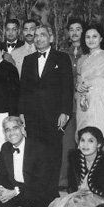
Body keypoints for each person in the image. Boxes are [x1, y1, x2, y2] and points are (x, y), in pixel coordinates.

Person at [19, 24, 73, 197]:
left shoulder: (62, 58)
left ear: (51, 38)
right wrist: (21, 113)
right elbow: (23, 89)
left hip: (54, 115)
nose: (38, 38)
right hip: (32, 115)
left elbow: (68, 87)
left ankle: (51, 192)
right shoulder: (28, 60)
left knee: (53, 152)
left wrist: (65, 111)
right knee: (34, 153)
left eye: (42, 35)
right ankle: (35, 191)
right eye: (35, 35)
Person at [0, 116, 53, 207]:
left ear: (22, 129)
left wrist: (15, 192)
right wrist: (0, 189)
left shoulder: (37, 147)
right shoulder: (5, 148)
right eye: (8, 130)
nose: (12, 133)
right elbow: (0, 174)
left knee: (36, 194)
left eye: (15, 128)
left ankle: (10, 205)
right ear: (4, 133)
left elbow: (42, 181)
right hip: (12, 188)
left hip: (30, 189)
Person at [47, 127, 104, 207]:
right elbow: (73, 185)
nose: (85, 145)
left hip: (102, 200)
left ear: (99, 144)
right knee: (56, 206)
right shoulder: (75, 157)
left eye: (91, 141)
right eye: (82, 140)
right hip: (81, 197)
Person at [75, 24, 104, 156]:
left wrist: (96, 82)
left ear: (101, 38)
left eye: (95, 36)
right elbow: (79, 82)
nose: (91, 40)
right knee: (85, 139)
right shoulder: (82, 60)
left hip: (102, 107)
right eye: (87, 37)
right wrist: (78, 86)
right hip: (84, 107)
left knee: (101, 137)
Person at [58, 19, 85, 188]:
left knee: (85, 142)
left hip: (86, 105)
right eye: (72, 30)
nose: (75, 33)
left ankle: (85, 181)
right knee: (67, 143)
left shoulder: (90, 54)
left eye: (78, 29)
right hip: (68, 104)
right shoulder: (61, 54)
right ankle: (63, 181)